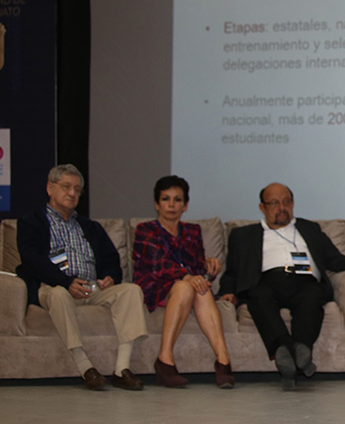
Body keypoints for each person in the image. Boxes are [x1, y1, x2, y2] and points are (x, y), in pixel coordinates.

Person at [219, 183, 345, 390]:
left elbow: (335, 260)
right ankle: (286, 349)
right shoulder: (244, 235)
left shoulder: (310, 229)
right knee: (258, 297)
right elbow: (233, 270)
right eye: (274, 203)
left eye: (286, 202)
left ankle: (299, 349)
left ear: (293, 203)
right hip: (266, 282)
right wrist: (227, 292)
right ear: (262, 207)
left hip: (305, 281)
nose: (282, 208)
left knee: (313, 297)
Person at [15, 164, 147, 391]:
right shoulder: (31, 222)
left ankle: (122, 369)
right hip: (55, 286)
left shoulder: (91, 227)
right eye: (66, 187)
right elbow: (31, 259)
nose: (72, 193)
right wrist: (66, 282)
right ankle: (85, 368)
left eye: (77, 189)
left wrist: (109, 277)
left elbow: (111, 260)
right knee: (58, 294)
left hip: (92, 288)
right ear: (50, 188)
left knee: (131, 291)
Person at [132, 176, 234, 389]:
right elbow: (157, 265)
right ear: (156, 204)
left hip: (186, 287)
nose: (171, 205)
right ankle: (165, 359)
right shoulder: (145, 229)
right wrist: (188, 277)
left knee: (201, 290)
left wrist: (209, 267)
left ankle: (223, 360)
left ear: (185, 205)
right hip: (153, 285)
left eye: (177, 200)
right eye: (165, 199)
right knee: (184, 286)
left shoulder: (192, 231)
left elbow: (197, 270)